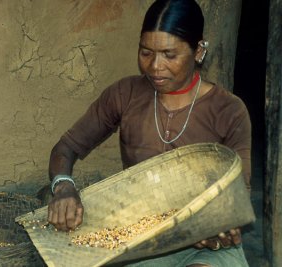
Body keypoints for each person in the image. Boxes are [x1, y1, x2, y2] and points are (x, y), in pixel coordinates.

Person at [47, 0, 251, 266]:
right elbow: (65, 148)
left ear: (199, 51)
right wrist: (63, 187)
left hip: (206, 246)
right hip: (142, 240)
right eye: (146, 53)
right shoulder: (125, 94)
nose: (155, 66)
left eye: (169, 55)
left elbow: (241, 191)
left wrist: (218, 223)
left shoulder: (229, 110)